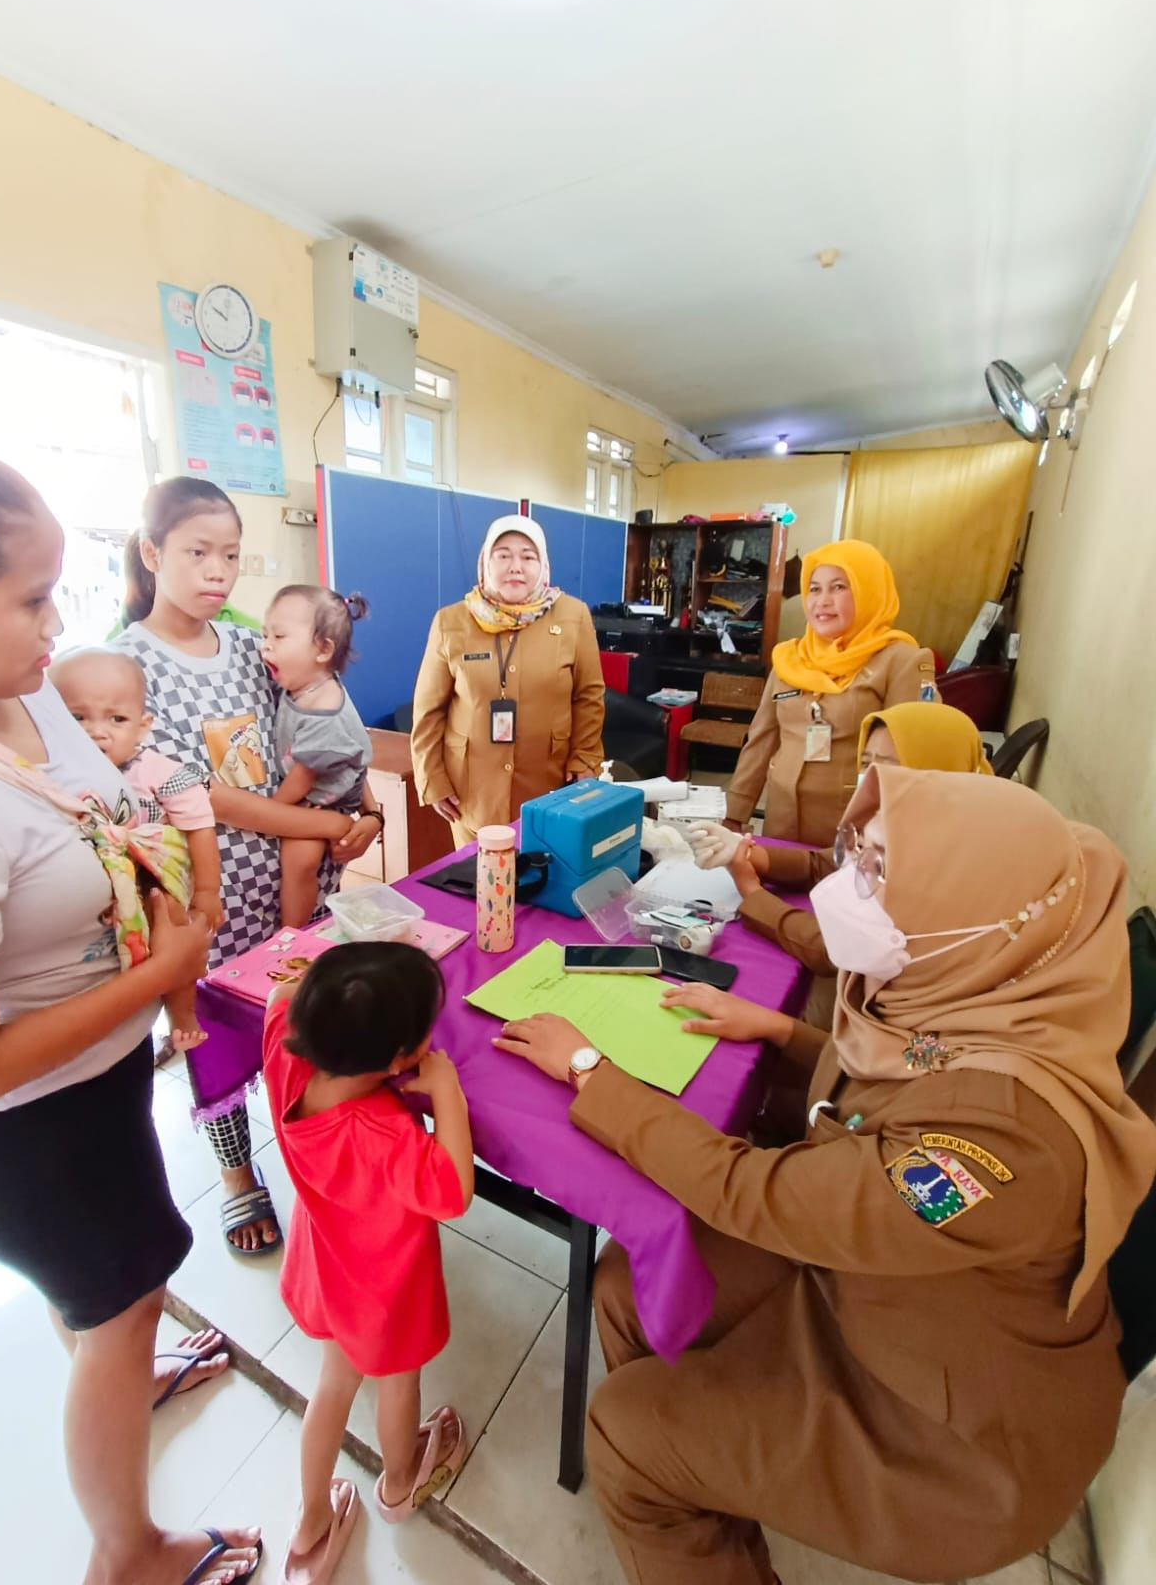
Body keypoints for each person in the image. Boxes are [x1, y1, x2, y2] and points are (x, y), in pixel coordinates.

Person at [493, 766, 1156, 1585]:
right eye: (859, 855)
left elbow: (761, 1195)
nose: (849, 885)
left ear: (971, 913)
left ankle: (674, 1472)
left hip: (950, 1427)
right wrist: (779, 1029)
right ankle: (704, 1480)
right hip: (881, 1286)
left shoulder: (1002, 1149)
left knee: (624, 1431)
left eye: (880, 870)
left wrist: (592, 1069)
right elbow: (907, 1079)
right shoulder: (980, 1004)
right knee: (628, 1282)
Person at [0, 443, 261, 1585]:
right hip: (22, 1123)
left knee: (94, 1294)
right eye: (31, 599)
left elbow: (122, 796)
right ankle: (127, 1550)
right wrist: (165, 966)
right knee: (120, 1297)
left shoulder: (26, 684)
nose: (59, 625)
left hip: (97, 1069)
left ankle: (119, 1351)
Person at [115, 477, 380, 1256]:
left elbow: (318, 729)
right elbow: (210, 801)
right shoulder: (126, 665)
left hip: (289, 876)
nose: (217, 572)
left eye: (229, 555)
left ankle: (314, 1139)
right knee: (215, 1031)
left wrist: (367, 810)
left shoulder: (248, 643)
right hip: (206, 894)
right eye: (197, 553)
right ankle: (237, 1174)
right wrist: (329, 820)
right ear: (152, 552)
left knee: (300, 1011)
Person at [263, 944, 472, 1578]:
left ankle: (310, 1519)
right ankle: (400, 1481)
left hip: (325, 1265)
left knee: (331, 1387)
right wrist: (447, 1092)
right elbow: (455, 1192)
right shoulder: (385, 1133)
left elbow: (276, 999)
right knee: (396, 1382)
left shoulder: (285, 1056)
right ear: (400, 1059)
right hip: (386, 1287)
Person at [691, 701, 993, 976]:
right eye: (866, 763)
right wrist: (745, 852)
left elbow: (837, 950)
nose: (872, 777)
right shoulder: (904, 819)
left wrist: (751, 891)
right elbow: (829, 863)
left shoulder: (945, 857)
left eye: (890, 766)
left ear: (938, 770)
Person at [50, 646, 222, 1054]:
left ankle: (181, 1016)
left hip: (154, 885)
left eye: (117, 719)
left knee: (175, 934)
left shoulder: (159, 771)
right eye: (77, 718)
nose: (97, 731)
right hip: (96, 893)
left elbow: (199, 826)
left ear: (143, 726)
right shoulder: (57, 775)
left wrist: (207, 892)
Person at [723, 538, 938, 845]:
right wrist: (735, 813)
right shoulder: (788, 658)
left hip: (854, 826)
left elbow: (908, 761)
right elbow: (761, 740)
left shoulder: (902, 661)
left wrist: (884, 833)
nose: (822, 601)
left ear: (869, 592)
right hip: (781, 818)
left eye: (839, 587)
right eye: (814, 588)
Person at [411, 513, 605, 847]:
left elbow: (589, 696)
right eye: (503, 555)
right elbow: (428, 711)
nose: (516, 566)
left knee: (543, 886)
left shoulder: (573, 616)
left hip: (551, 787)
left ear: (543, 566)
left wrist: (584, 759)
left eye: (528, 556)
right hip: (470, 792)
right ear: (485, 563)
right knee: (479, 890)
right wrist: (432, 780)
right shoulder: (450, 621)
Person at [261, 584, 381, 927]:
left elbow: (300, 782)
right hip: (314, 788)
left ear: (323, 649)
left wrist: (269, 813)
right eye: (264, 633)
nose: (265, 645)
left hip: (329, 800)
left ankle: (291, 931)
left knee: (300, 859)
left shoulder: (324, 711)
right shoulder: (304, 684)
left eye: (279, 636)